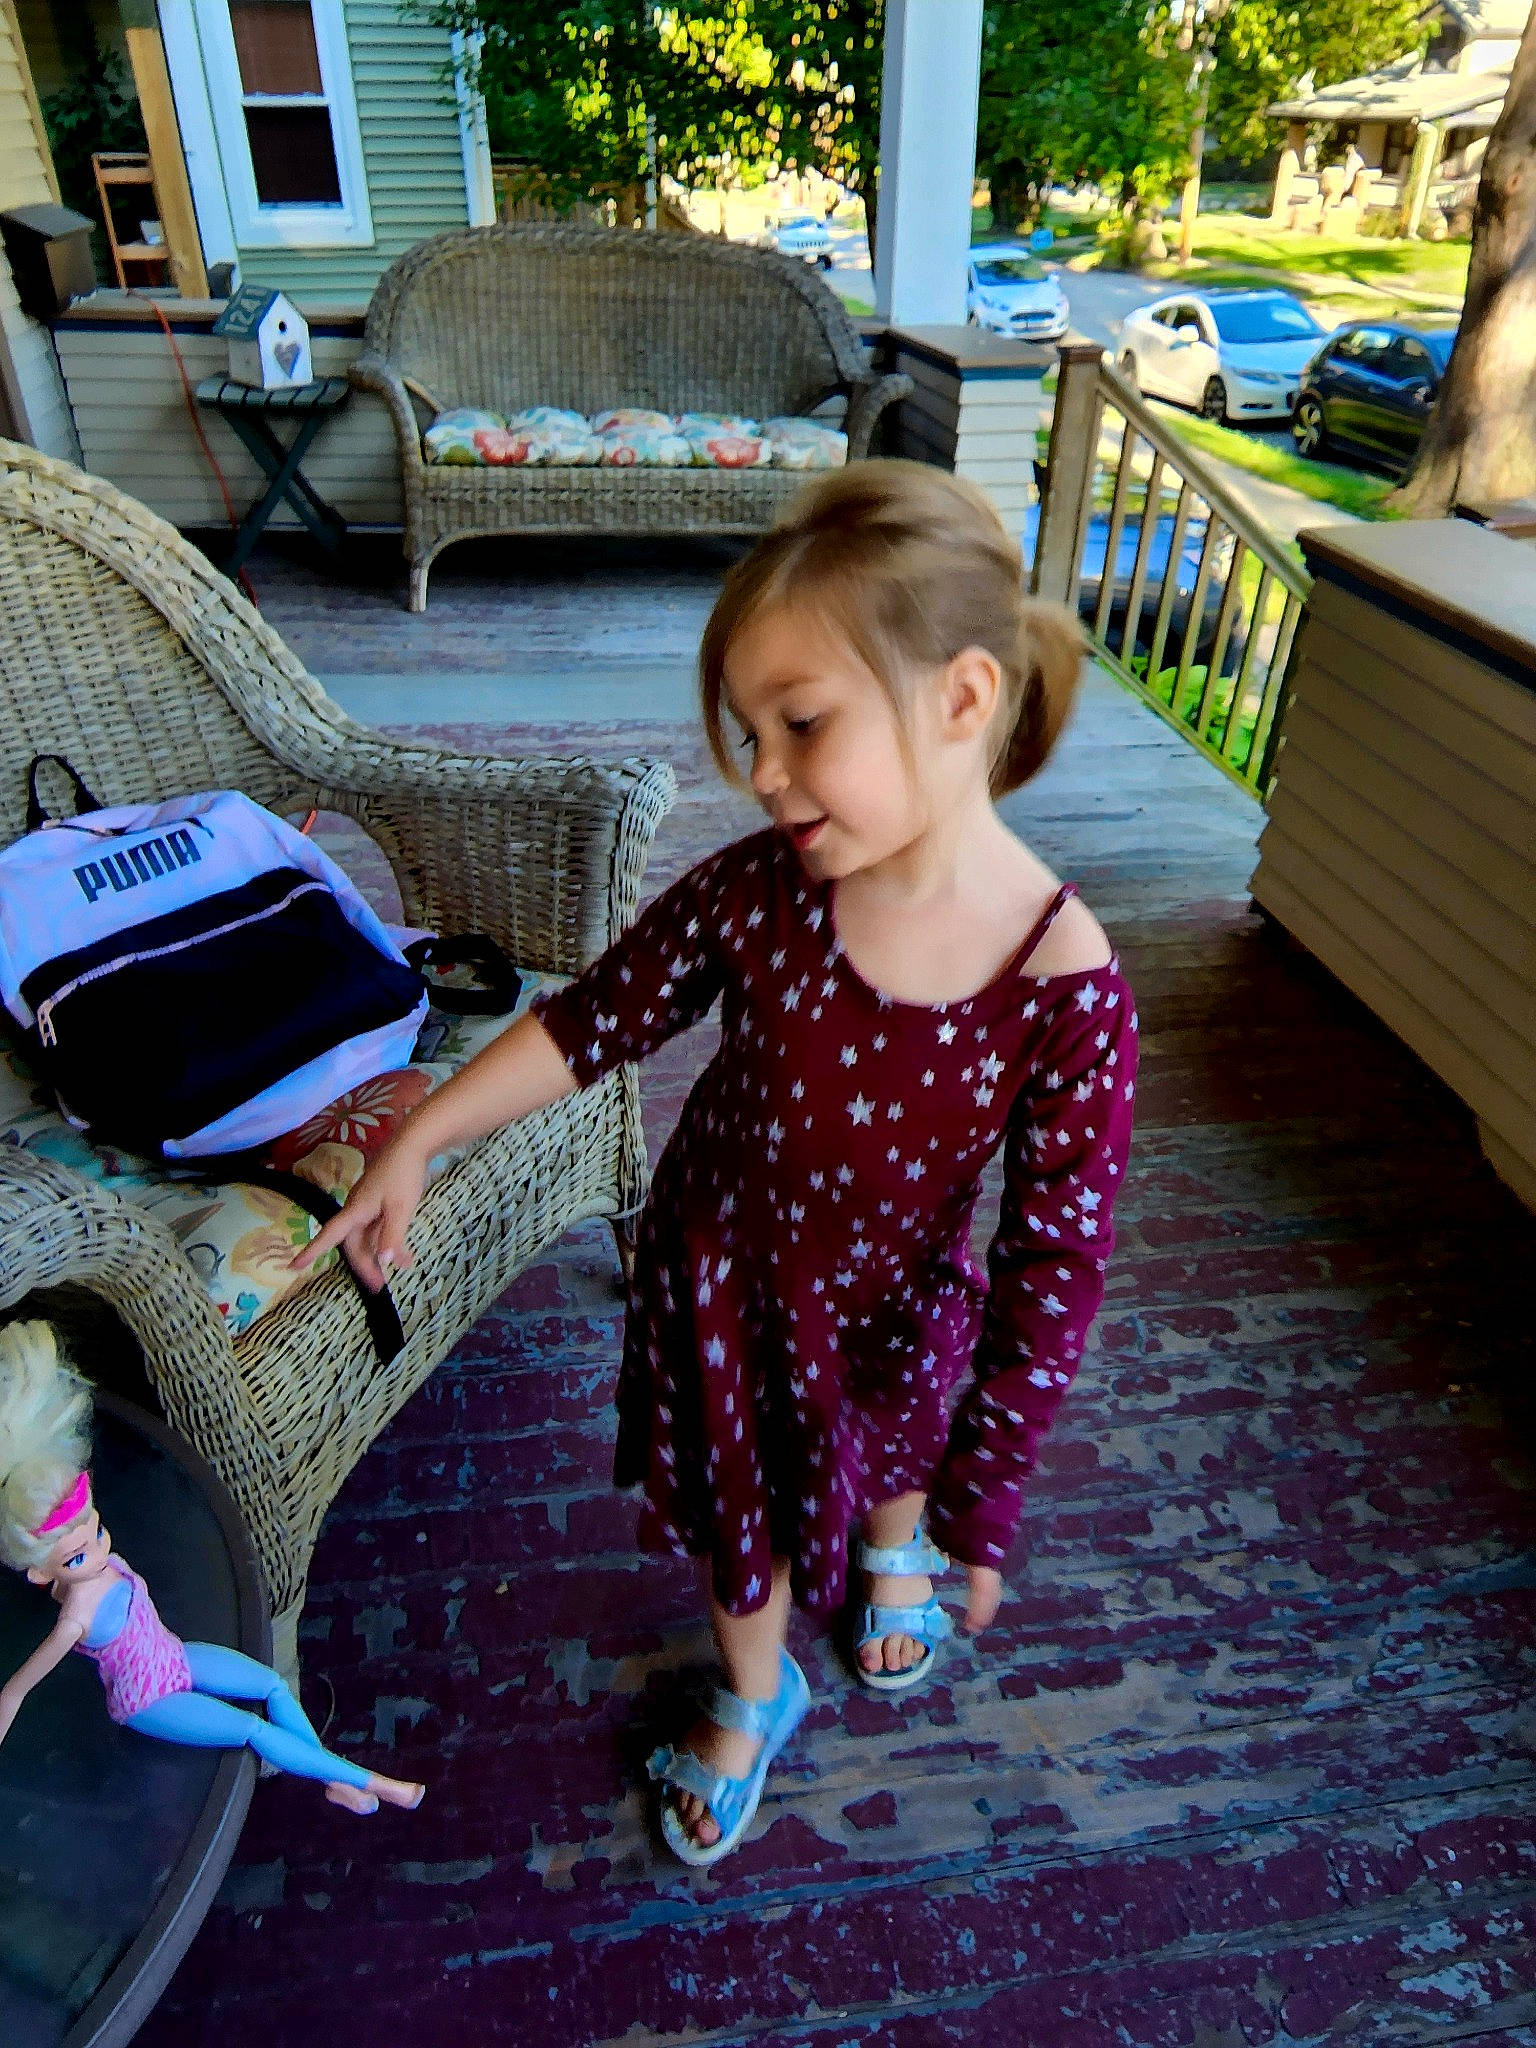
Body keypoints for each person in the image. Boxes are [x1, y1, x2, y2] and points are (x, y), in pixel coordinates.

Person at [294, 461, 1138, 1864]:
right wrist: (420, 1135)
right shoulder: (759, 893)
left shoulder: (1063, 985)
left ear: (964, 700)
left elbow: (1053, 1262)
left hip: (891, 1298)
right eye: (749, 731)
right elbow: (592, 1019)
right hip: (727, 1298)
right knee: (741, 1521)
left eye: (800, 723)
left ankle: (891, 1555)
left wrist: (989, 1487)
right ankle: (759, 1689)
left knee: (895, 1439)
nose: (758, 772)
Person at [0, 1321, 424, 1817]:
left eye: (96, 1530)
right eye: (76, 1557)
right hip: (148, 1700)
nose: (96, 1551)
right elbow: (18, 1686)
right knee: (252, 1729)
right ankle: (373, 1782)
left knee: (271, 1684)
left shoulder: (92, 1570)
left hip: (174, 1657)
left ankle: (333, 1779)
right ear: (40, 1573)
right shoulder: (75, 1613)